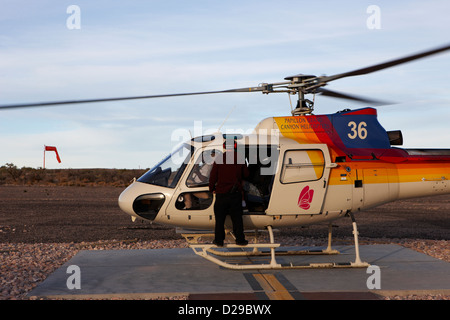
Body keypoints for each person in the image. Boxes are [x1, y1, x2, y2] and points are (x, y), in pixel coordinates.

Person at [209, 140, 249, 246]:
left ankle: (219, 240)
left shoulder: (219, 158)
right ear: (235, 146)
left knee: (219, 219)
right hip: (235, 194)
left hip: (221, 194)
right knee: (237, 219)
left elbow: (213, 176)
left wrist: (211, 188)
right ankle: (240, 240)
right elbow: (246, 173)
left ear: (225, 147)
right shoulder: (240, 157)